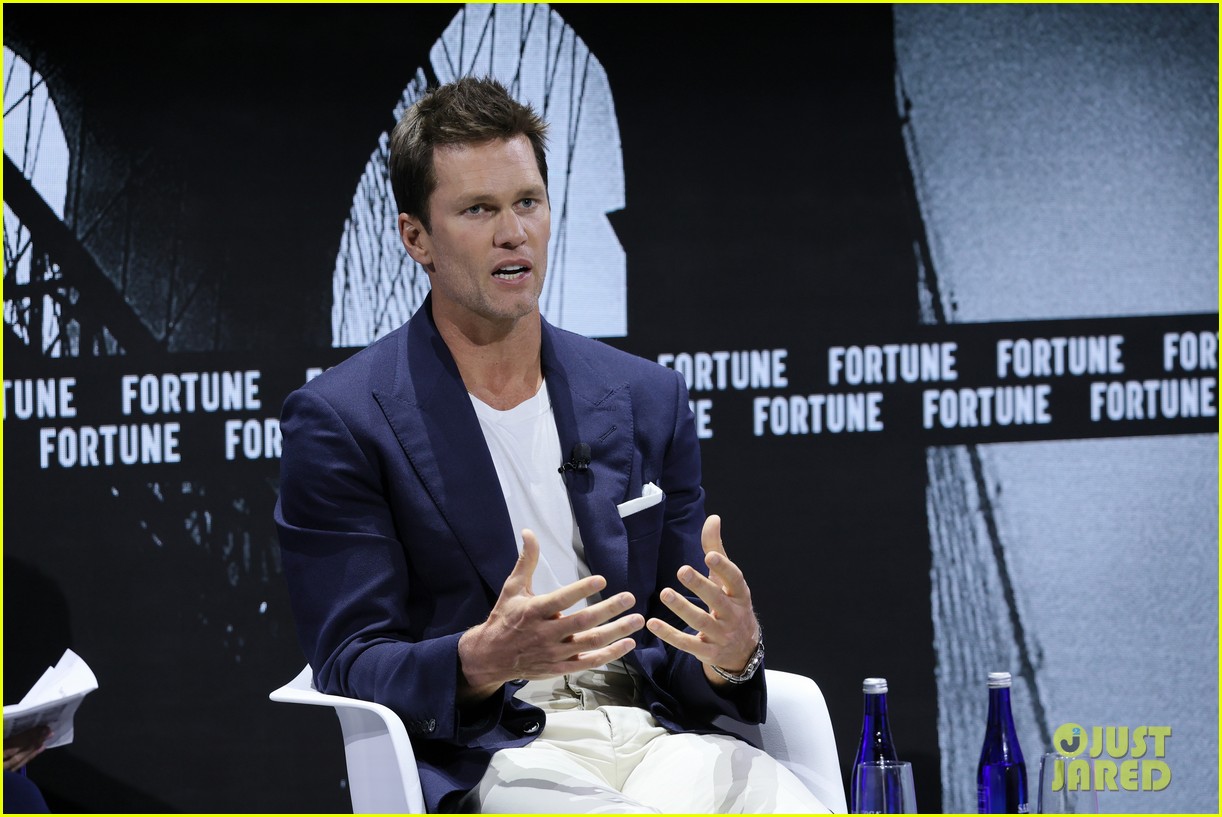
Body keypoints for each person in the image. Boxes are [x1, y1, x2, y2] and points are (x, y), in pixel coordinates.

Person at [275, 76, 828, 813]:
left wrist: (732, 654)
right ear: (416, 237)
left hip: (655, 737)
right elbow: (349, 661)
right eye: (479, 209)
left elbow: (683, 641)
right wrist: (480, 659)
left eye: (528, 203)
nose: (514, 233)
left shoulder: (645, 397)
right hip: (496, 749)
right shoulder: (343, 419)